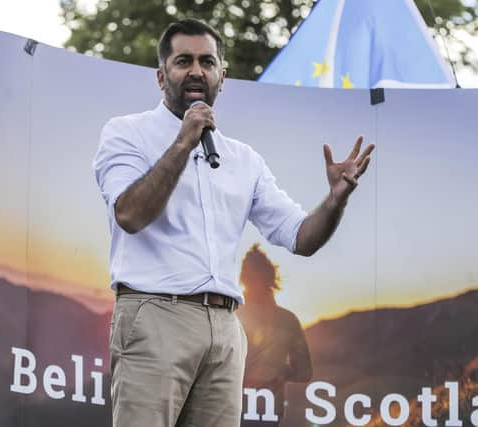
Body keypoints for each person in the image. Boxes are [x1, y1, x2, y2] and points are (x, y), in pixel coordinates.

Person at [93, 18, 374, 427]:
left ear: (222, 77)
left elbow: (300, 237)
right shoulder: (126, 133)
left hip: (226, 328)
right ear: (161, 76)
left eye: (207, 62)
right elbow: (130, 214)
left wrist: (335, 200)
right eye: (183, 61)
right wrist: (184, 141)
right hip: (155, 315)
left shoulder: (244, 159)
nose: (196, 71)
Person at [238, 244, 312, 426]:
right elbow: (304, 372)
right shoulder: (288, 320)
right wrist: (280, 373)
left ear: (243, 279)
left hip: (234, 406)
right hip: (268, 408)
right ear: (270, 279)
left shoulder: (232, 314)